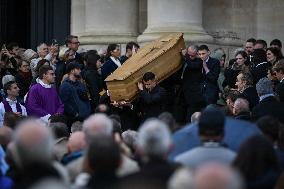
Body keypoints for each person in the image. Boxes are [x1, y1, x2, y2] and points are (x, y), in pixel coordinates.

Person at [181, 45, 206, 121]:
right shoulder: (185, 59)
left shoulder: (199, 61)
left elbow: (192, 66)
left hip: (194, 94)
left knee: (191, 114)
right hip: (183, 91)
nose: (190, 57)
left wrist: (185, 56)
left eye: (192, 55)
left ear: (197, 54)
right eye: (189, 54)